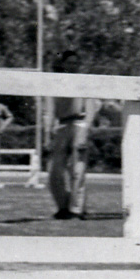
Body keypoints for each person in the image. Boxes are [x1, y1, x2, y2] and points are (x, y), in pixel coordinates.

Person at [46, 49, 100, 220]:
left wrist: (86, 130)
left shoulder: (84, 82)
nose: (73, 66)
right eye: (70, 62)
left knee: (78, 169)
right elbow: (49, 110)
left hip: (79, 123)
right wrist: (48, 134)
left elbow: (91, 107)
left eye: (76, 63)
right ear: (62, 64)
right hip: (61, 126)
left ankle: (76, 209)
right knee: (55, 171)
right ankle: (63, 207)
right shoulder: (53, 83)